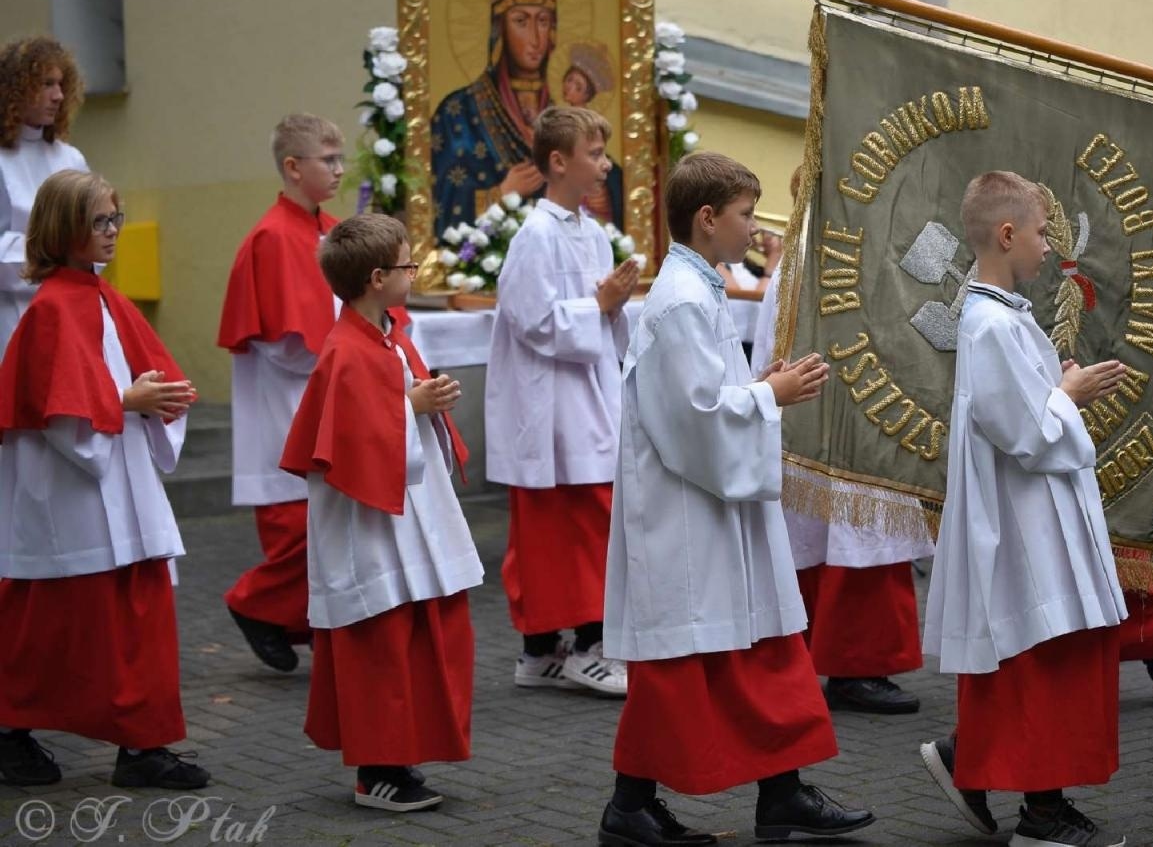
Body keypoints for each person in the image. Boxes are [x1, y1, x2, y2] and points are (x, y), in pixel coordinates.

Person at [600, 151, 873, 847]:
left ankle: (781, 792)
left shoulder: (699, 289)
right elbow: (692, 418)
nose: (756, 229)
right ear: (707, 217)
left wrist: (760, 389)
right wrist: (766, 396)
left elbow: (705, 396)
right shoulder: (683, 299)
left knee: (762, 648)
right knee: (688, 667)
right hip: (688, 515)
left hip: (714, 508)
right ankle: (632, 807)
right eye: (746, 215)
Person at [919, 170, 1129, 847]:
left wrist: (1056, 386)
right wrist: (1069, 392)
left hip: (1034, 510)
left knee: (1044, 655)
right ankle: (1042, 813)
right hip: (1023, 520)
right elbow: (1025, 432)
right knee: (1044, 658)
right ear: (1006, 234)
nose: (1049, 247)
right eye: (1042, 232)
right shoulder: (987, 324)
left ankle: (972, 758)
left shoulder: (1002, 313)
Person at [0, 169, 206, 789]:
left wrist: (156, 399)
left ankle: (142, 746)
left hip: (121, 481)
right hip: (74, 491)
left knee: (138, 614)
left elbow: (129, 384)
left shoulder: (102, 297)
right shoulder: (53, 309)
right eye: (99, 221)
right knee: (57, 624)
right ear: (65, 230)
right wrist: (129, 403)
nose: (113, 231)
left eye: (115, 217)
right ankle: (11, 730)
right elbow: (60, 417)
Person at [281, 214, 483, 812]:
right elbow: (346, 437)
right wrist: (409, 405)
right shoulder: (344, 350)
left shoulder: (391, 335)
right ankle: (377, 770)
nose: (414, 271)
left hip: (406, 511)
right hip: (367, 524)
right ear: (376, 278)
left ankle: (399, 758)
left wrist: (421, 404)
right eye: (406, 264)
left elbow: (391, 414)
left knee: (418, 634)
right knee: (380, 642)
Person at [751, 169, 935, 716]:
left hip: (858, 413)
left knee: (854, 541)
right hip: (831, 418)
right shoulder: (811, 258)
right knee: (842, 539)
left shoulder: (849, 251)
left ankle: (853, 660)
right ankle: (854, 667)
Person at [486, 107, 638, 695]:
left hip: (587, 395)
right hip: (549, 407)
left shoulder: (591, 231)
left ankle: (548, 650)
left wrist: (614, 305)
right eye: (595, 154)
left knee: (585, 523)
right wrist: (600, 304)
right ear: (557, 162)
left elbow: (600, 316)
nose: (604, 165)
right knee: (564, 529)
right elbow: (534, 321)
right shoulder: (536, 234)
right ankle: (582, 645)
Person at [217, 114, 351, 672]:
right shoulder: (273, 236)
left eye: (343, 159)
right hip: (286, 406)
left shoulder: (332, 229)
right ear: (294, 167)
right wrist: (345, 352)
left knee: (330, 525)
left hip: (329, 399)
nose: (341, 169)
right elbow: (281, 341)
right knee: (299, 529)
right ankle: (257, 606)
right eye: (329, 159)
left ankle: (309, 622)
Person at [431, 0, 568, 236]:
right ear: (499, 30)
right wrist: (502, 193)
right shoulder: (458, 112)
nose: (535, 38)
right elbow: (440, 201)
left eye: (543, 22)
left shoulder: (563, 116)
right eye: (521, 21)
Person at [0, 35, 89, 358]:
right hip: (11, 314)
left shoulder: (70, 159)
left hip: (69, 309)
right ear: (16, 88)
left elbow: (95, 236)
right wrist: (59, 253)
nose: (58, 96)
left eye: (61, 84)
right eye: (46, 84)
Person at [558, 41, 625, 228]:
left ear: (587, 95)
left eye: (578, 87)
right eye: (569, 80)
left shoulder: (587, 121)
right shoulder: (557, 114)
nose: (570, 87)